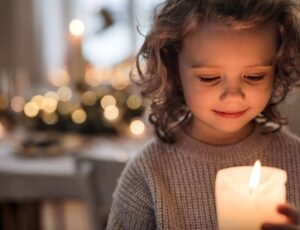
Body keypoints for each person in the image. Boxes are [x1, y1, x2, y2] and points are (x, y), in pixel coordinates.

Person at [106, 0, 300, 229]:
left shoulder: (295, 159)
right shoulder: (148, 175)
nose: (233, 96)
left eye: (255, 76)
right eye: (209, 78)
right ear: (173, 66)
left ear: (277, 67)